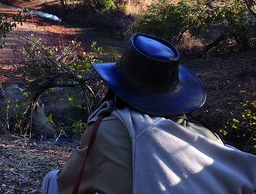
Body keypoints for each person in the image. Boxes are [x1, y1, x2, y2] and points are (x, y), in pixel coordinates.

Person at [41, 33, 256, 194]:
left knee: (50, 181)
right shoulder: (208, 138)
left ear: (118, 85)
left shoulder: (107, 129)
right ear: (174, 92)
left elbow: (67, 185)